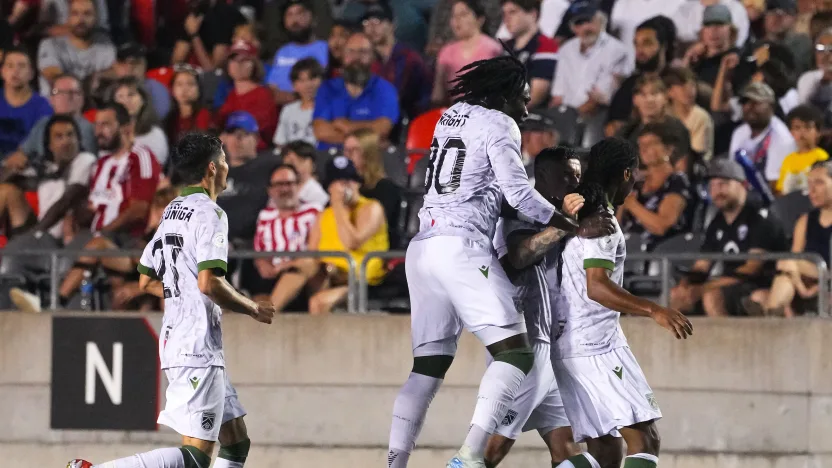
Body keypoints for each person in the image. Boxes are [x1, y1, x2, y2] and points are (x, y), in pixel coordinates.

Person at [385, 53, 612, 468]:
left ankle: (395, 462)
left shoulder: (449, 115)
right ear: (504, 95)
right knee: (515, 355)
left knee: (427, 370)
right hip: (461, 244)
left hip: (422, 246)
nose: (526, 110)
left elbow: (480, 181)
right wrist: (570, 223)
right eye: (522, 99)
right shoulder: (500, 123)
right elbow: (519, 195)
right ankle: (469, 456)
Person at [67, 133, 277, 468]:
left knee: (235, 442)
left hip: (179, 339)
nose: (227, 167)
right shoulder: (211, 214)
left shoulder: (173, 210)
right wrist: (252, 308)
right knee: (196, 457)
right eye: (223, 161)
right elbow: (209, 283)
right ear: (212, 168)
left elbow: (146, 279)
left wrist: (181, 291)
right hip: (197, 346)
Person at [553, 137, 692, 468]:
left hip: (568, 343)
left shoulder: (573, 212)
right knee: (645, 439)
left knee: (605, 450)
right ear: (627, 174)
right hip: (597, 346)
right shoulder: (600, 221)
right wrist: (654, 309)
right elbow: (597, 287)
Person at [10, 103, 161, 313]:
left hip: (129, 241)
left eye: (106, 124)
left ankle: (53, 305)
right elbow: (92, 208)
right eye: (97, 125)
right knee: (102, 276)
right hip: (98, 241)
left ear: (126, 127)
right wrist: (77, 216)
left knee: (95, 247)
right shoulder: (100, 165)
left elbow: (139, 209)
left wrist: (104, 231)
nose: (99, 130)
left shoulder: (140, 156)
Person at [485, 147, 584, 468]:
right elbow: (518, 256)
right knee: (489, 449)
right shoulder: (519, 210)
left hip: (551, 344)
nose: (574, 182)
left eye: (578, 176)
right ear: (542, 176)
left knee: (566, 446)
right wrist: (565, 225)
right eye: (567, 175)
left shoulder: (556, 214)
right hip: (525, 345)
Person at [266, 156, 389, 314]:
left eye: (348, 180)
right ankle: (268, 314)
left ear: (357, 183)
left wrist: (338, 205)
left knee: (319, 302)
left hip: (359, 281)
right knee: (305, 264)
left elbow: (351, 242)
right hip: (328, 275)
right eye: (337, 183)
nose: (343, 187)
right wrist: (290, 265)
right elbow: (311, 254)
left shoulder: (371, 208)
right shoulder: (323, 215)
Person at [669, 159, 787, 316]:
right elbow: (702, 266)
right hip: (729, 284)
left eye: (723, 184)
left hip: (760, 284)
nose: (717, 191)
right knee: (676, 295)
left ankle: (726, 341)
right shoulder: (717, 222)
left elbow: (752, 268)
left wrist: (705, 288)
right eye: (712, 186)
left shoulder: (760, 217)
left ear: (743, 185)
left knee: (712, 296)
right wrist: (685, 284)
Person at [749, 161, 832, 316]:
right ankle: (775, 314)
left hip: (825, 276)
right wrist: (802, 287)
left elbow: (793, 262)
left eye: (819, 183)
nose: (812, 190)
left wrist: (816, 287)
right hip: (804, 279)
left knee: (787, 263)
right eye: (809, 184)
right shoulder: (805, 221)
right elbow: (794, 259)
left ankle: (774, 316)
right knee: (764, 293)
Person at [549, 1, 631, 146]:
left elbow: (598, 99)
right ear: (573, 28)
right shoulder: (566, 50)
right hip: (567, 115)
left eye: (589, 21)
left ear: (601, 21)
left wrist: (569, 119)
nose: (585, 28)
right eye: (579, 23)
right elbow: (558, 96)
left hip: (598, 115)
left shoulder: (617, 50)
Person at [249, 164, 323, 306]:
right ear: (270, 190)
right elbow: (259, 251)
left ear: (298, 185)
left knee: (302, 268)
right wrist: (263, 264)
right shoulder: (265, 215)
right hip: (272, 276)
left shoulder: (314, 211)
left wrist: (288, 265)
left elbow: (314, 252)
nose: (284, 189)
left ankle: (270, 315)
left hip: (302, 275)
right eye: (278, 185)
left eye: (289, 183)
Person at [312, 32, 399, 151]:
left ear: (373, 56)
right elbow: (320, 131)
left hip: (368, 159)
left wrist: (347, 126)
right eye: (350, 51)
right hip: (329, 158)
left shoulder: (385, 89)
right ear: (342, 55)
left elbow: (381, 130)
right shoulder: (327, 88)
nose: (356, 57)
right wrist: (365, 133)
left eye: (363, 52)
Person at [618, 123, 691, 251]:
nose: (644, 149)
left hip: (660, 253)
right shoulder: (635, 183)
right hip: (627, 251)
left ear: (668, 149)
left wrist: (631, 203)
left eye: (651, 144)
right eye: (641, 145)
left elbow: (661, 227)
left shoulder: (676, 182)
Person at [217, 111, 279, 245]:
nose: (237, 140)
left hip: (256, 245)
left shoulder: (270, 166)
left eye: (244, 134)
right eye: (232, 134)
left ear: (256, 138)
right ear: (224, 138)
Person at [607, 16, 675, 137]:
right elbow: (611, 125)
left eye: (647, 43)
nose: (639, 50)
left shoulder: (676, 81)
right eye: (636, 44)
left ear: (664, 46)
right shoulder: (630, 84)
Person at [363, 2, 431, 119]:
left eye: (377, 21)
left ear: (392, 25)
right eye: (367, 23)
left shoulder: (408, 58)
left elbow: (394, 98)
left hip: (412, 122)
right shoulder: (369, 60)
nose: (371, 28)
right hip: (380, 120)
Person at [37, 0, 116, 96]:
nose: (81, 20)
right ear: (68, 18)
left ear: (95, 18)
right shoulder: (50, 45)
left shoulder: (106, 47)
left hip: (93, 108)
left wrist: (103, 75)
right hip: (56, 107)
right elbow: (53, 76)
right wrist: (91, 81)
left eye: (87, 14)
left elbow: (115, 73)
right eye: (75, 14)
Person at [432, 0, 501, 106]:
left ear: (479, 19)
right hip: (455, 111)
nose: (457, 20)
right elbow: (438, 95)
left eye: (463, 14)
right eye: (453, 16)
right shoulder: (446, 51)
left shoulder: (492, 48)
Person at [728, 81, 797, 189]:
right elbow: (732, 173)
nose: (749, 107)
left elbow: (774, 185)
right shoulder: (739, 132)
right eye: (745, 102)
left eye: (756, 103)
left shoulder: (781, 138)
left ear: (771, 106)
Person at [343, 128, 403, 248]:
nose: (347, 155)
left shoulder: (385, 188)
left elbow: (377, 225)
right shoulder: (342, 185)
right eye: (346, 150)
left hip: (373, 248)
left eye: (354, 150)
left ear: (369, 153)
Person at [216, 39, 279, 148]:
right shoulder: (230, 94)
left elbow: (263, 134)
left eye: (244, 59)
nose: (238, 64)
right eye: (233, 59)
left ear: (254, 64)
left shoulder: (263, 95)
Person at [266, 0, 328, 106]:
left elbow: (322, 85)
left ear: (312, 18)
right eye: (289, 15)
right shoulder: (282, 51)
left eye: (300, 13)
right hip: (281, 109)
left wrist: (295, 97)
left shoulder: (324, 49)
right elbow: (271, 86)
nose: (295, 20)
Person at [616, 75, 692, 161]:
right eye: (643, 94)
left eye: (654, 93)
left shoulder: (677, 130)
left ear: (665, 97)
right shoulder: (626, 132)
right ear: (635, 100)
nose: (649, 99)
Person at [501, 0, 558, 110]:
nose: (506, 18)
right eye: (504, 13)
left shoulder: (545, 45)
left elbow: (536, 96)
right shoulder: (505, 47)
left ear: (533, 14)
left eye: (513, 12)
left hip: (530, 118)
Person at [0, 47, 53, 159]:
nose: (15, 71)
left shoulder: (42, 106)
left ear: (31, 73)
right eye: (10, 66)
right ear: (2, 71)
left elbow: (39, 146)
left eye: (22, 66)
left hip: (27, 165)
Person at [171, 0, 247, 71]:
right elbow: (176, 64)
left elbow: (213, 70)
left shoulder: (226, 15)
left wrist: (194, 36)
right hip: (198, 75)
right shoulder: (193, 13)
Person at [111, 76, 169, 166]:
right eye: (120, 96)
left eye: (131, 95)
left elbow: (153, 168)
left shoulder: (154, 134)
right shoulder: (111, 132)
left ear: (143, 99)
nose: (125, 101)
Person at [663, 66, 715, 161]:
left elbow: (698, 154)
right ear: (669, 91)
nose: (688, 90)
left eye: (692, 85)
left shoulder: (700, 117)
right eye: (682, 85)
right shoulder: (663, 115)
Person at [111, 42, 172, 119]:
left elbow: (157, 118)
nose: (129, 68)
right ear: (115, 66)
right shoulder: (109, 88)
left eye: (135, 63)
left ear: (144, 65)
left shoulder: (156, 89)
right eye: (123, 63)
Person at [777, 105, 829, 194]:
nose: (802, 132)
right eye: (797, 128)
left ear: (818, 132)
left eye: (808, 127)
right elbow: (780, 190)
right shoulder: (788, 159)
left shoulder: (821, 157)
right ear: (791, 132)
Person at [273, 58, 322, 148]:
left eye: (312, 79)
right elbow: (280, 142)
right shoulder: (288, 110)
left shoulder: (329, 108)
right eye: (302, 81)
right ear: (294, 86)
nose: (308, 85)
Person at [164, 67, 214, 145]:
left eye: (190, 84)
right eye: (179, 84)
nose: (185, 89)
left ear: (199, 89)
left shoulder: (204, 114)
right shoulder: (169, 118)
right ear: (172, 90)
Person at [280, 140, 328, 206]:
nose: (295, 166)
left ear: (313, 165)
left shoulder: (317, 194)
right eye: (290, 163)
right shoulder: (278, 189)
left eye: (300, 161)